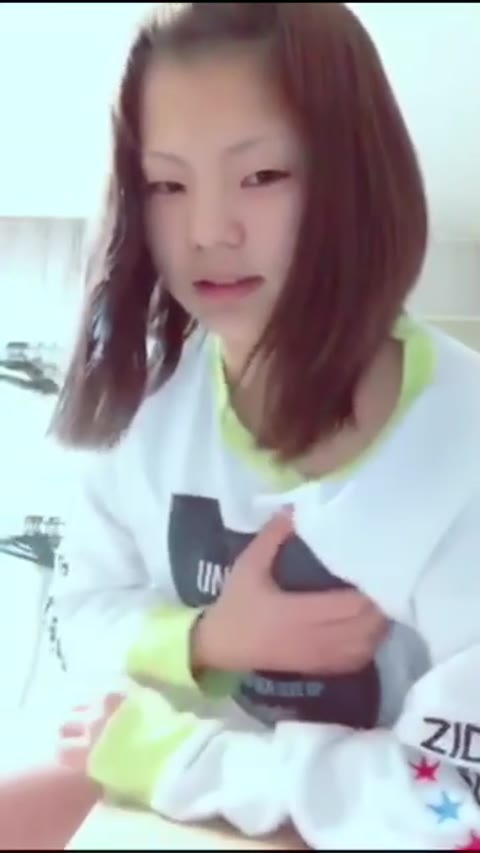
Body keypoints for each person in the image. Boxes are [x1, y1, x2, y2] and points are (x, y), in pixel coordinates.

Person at [3, 2, 480, 849]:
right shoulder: (147, 398)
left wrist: (179, 756)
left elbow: (456, 797)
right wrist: (208, 639)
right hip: (167, 794)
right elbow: (78, 619)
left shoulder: (460, 444)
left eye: (261, 176)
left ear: (354, 175)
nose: (208, 232)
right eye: (167, 184)